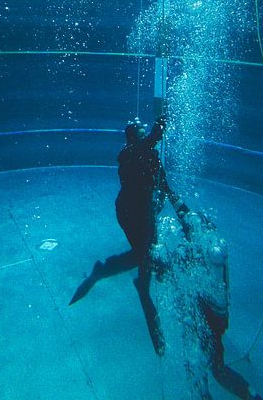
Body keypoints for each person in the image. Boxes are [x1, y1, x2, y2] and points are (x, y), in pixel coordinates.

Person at [69, 115, 189, 357]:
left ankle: (112, 272)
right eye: (141, 134)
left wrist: (178, 207)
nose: (145, 137)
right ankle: (141, 284)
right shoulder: (127, 154)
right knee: (144, 254)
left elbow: (163, 183)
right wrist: (159, 128)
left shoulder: (151, 156)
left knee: (143, 254)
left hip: (146, 211)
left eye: (145, 134)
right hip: (130, 211)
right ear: (132, 138)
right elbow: (146, 145)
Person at [156, 211, 263, 400]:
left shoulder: (195, 253)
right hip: (212, 318)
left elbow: (166, 274)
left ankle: (235, 396)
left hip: (203, 319)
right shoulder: (208, 254)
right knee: (214, 367)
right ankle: (250, 396)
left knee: (201, 367)